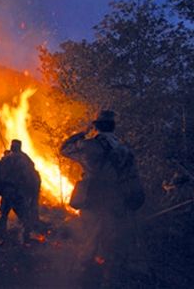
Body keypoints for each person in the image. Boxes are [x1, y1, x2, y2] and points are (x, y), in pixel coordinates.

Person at [60, 110, 145, 288]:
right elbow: (132, 177)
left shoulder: (88, 146)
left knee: (89, 241)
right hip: (116, 202)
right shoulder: (124, 150)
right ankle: (109, 282)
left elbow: (64, 150)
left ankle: (83, 280)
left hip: (93, 200)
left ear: (97, 126)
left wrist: (82, 133)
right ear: (113, 127)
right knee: (112, 244)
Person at [0, 139, 41, 243]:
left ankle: (0, 236)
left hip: (8, 191)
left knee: (4, 214)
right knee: (23, 215)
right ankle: (25, 236)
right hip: (17, 191)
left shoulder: (7, 159)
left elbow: (1, 173)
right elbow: (30, 172)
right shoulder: (25, 159)